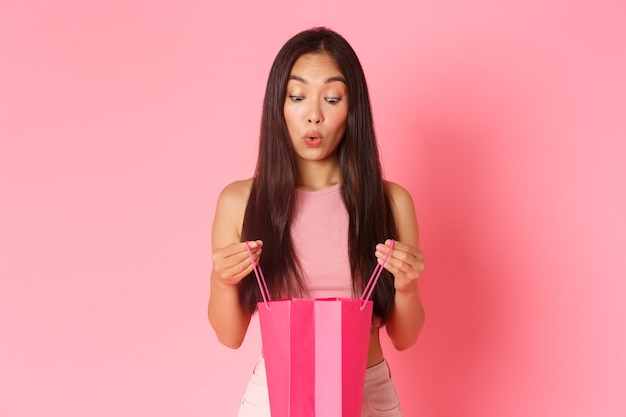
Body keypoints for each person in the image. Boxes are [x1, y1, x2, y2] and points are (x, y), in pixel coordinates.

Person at [208, 27, 425, 417]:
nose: (314, 114)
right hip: (275, 393)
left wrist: (407, 288)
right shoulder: (240, 202)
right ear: (279, 105)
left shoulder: (391, 202)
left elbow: (405, 337)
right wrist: (222, 280)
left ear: (351, 108)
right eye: (297, 96)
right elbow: (230, 335)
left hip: (367, 393)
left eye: (331, 98)